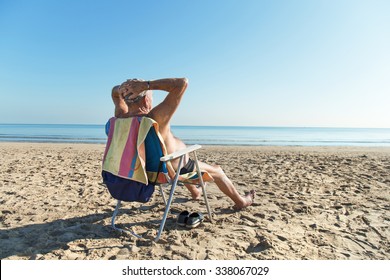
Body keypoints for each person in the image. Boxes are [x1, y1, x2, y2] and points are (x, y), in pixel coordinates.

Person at [111, 78, 255, 210]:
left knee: (180, 158)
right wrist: (147, 85)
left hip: (139, 172)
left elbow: (114, 93)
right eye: (151, 97)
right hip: (167, 172)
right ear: (146, 101)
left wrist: (123, 89)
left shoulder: (120, 117)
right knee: (216, 170)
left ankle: (195, 192)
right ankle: (241, 201)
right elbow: (182, 83)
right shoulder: (155, 118)